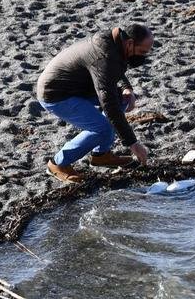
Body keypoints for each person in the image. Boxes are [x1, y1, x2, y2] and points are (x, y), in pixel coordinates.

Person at [35, 23, 154, 183]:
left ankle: (101, 155)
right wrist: (133, 144)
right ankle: (57, 164)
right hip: (56, 95)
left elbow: (114, 69)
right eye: (142, 52)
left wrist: (127, 88)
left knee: (121, 99)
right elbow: (108, 102)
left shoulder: (115, 42)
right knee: (102, 127)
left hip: (79, 86)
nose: (143, 57)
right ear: (130, 43)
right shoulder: (104, 55)